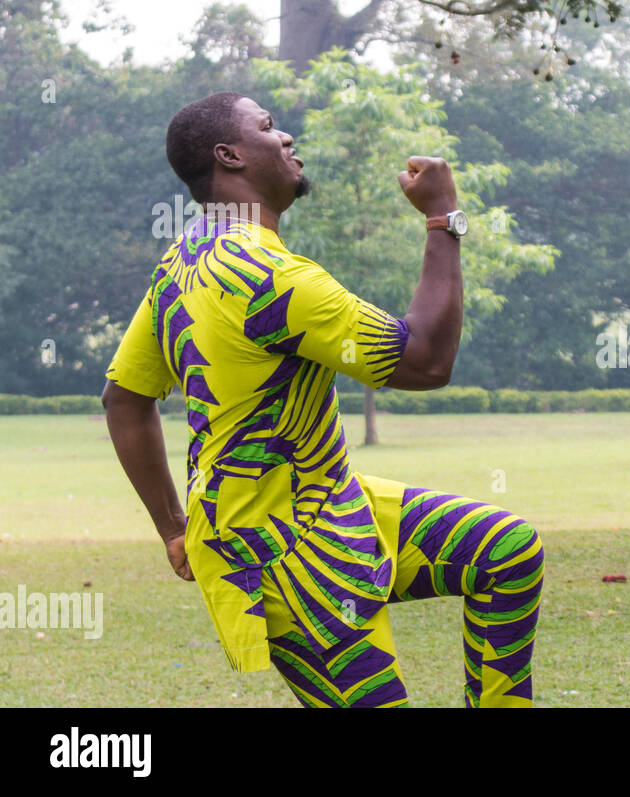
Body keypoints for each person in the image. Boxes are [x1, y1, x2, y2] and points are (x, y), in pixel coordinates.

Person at [100, 92, 543, 707]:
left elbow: (123, 399)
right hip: (283, 558)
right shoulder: (272, 278)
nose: (285, 138)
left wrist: (175, 527)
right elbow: (427, 362)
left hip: (336, 504)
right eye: (268, 127)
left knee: (506, 551)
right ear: (229, 156)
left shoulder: (183, 263)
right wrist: (443, 217)